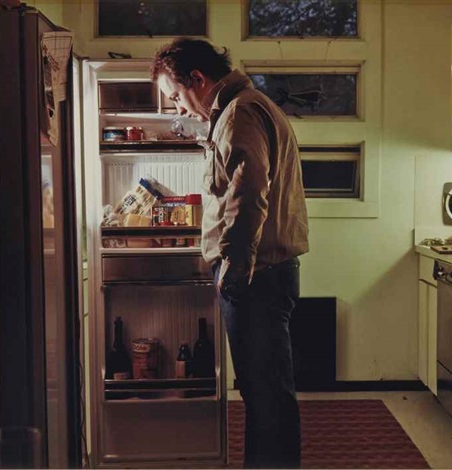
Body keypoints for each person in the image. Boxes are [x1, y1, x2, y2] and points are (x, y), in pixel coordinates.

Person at [151, 38, 309, 469]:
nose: (179, 108)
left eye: (177, 96)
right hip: (264, 272)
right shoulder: (242, 108)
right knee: (264, 392)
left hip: (256, 275)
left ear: (197, 80)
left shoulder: (240, 113)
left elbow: (248, 195)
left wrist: (233, 271)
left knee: (266, 395)